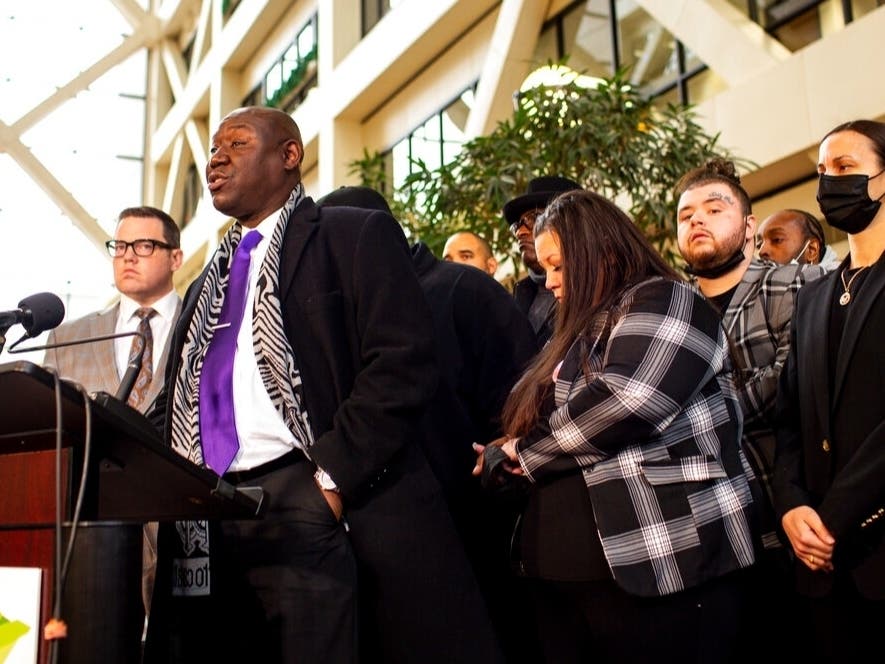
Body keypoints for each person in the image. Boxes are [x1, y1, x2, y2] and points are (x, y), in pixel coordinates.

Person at [144, 107, 503, 664]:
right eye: (214, 147)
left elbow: (402, 362)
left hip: (310, 491)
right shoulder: (203, 284)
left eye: (236, 144)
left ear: (290, 155)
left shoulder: (351, 235)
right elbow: (176, 398)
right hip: (211, 510)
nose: (215, 158)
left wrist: (331, 482)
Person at [475, 189, 757, 663]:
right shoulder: (582, 327)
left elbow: (627, 401)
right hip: (571, 584)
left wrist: (522, 453)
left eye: (560, 266)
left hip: (663, 570)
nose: (549, 283)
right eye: (545, 269)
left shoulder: (667, 298)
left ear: (601, 251)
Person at [319, 184, 541, 663]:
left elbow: (526, 399)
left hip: (475, 527)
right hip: (380, 544)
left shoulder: (463, 289)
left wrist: (493, 475)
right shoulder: (342, 313)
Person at [675, 158, 823, 656]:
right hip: (719, 543)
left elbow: (790, 383)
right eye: (685, 214)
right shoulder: (674, 312)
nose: (696, 220)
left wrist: (691, 413)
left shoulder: (792, 284)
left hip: (795, 518)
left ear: (748, 226)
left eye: (714, 209)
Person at [774, 118, 885, 660]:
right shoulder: (814, 297)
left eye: (845, 168)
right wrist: (791, 504)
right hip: (819, 561)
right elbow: (789, 415)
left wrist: (834, 518)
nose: (829, 182)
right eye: (822, 171)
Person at [43, 205, 183, 621]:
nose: (127, 255)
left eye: (143, 245)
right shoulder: (68, 339)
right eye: (120, 245)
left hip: (184, 535)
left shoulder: (205, 329)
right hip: (94, 545)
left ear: (175, 257)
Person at [502, 176, 581, 345]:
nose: (520, 232)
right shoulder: (519, 294)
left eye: (534, 219)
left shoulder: (599, 294)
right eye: (518, 225)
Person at [757, 208, 840, 269]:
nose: (762, 251)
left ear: (811, 250)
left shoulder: (843, 289)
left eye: (777, 240)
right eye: (759, 245)